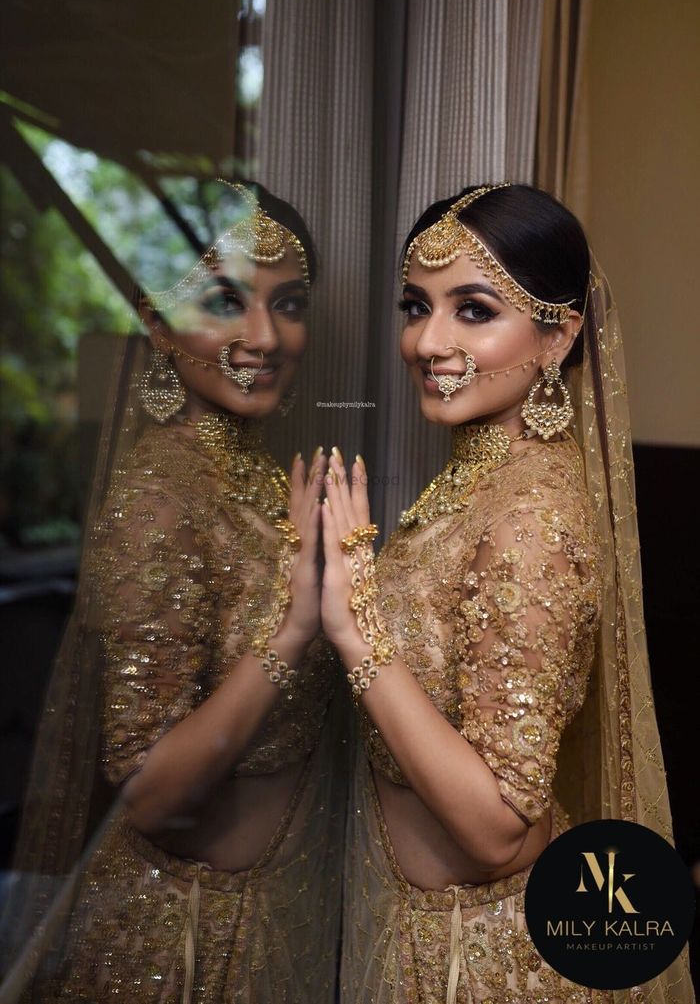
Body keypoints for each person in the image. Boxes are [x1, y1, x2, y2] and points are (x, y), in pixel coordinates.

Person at [320, 183, 695, 1003]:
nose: (429, 340)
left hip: (480, 963)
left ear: (558, 335)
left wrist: (355, 631)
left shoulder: (530, 520)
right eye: (416, 305)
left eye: (475, 310)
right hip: (426, 938)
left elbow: (498, 831)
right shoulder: (472, 486)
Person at [1, 180, 347, 1003]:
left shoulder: (259, 480)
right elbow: (151, 793)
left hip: (271, 920)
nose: (265, 336)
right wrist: (295, 629)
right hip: (186, 946)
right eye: (226, 300)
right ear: (156, 324)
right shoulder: (159, 497)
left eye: (288, 302)